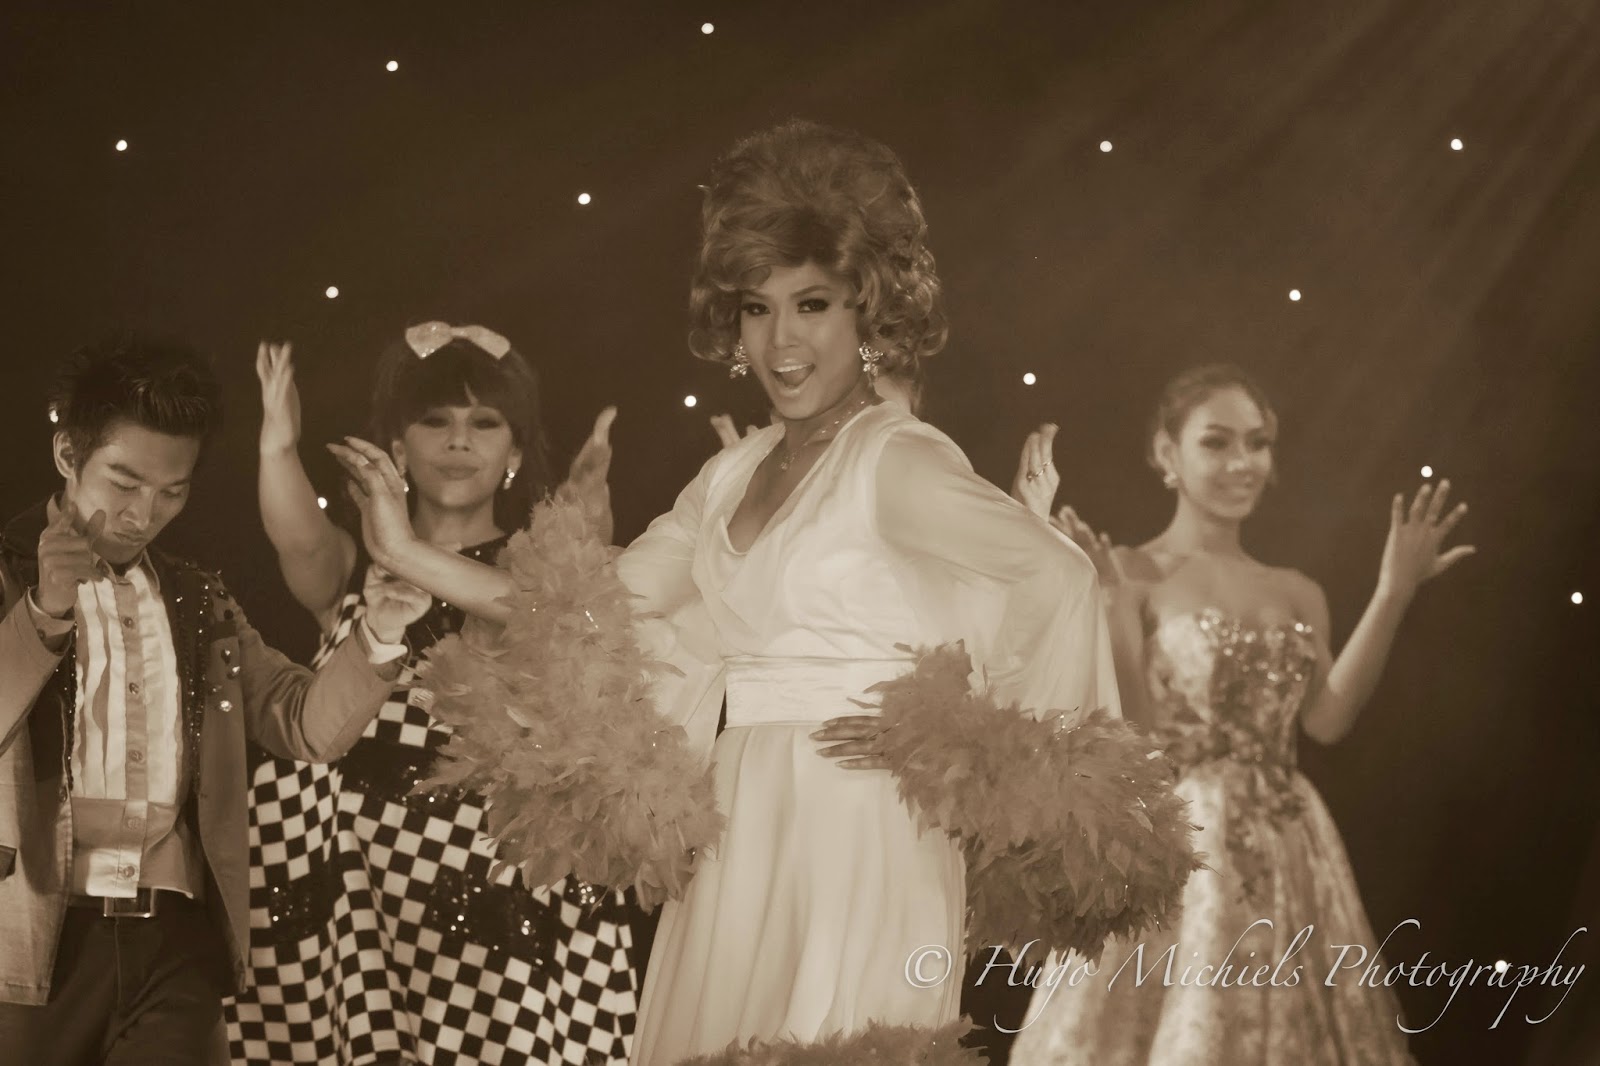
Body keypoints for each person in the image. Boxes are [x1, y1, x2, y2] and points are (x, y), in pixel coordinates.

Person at [327, 119, 1131, 1063]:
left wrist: (956, 738)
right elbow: (588, 607)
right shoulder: (731, 475)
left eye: (812, 304)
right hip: (739, 812)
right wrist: (403, 550)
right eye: (757, 308)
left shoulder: (896, 459)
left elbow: (1057, 574)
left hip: (862, 819)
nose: (781, 340)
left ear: (869, 313)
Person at [1007, 363, 1469, 1064]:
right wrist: (1112, 608)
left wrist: (1393, 591)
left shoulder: (1297, 592)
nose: (1242, 462)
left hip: (1290, 844)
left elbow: (1326, 721)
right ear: (1167, 453)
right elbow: (1138, 745)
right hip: (1181, 848)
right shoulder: (1129, 571)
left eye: (1257, 443)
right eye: (1217, 442)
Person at [224, 328, 636, 1066]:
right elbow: (297, 540)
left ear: (515, 452)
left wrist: (586, 520)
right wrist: (277, 446)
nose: (458, 441)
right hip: (353, 884)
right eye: (435, 420)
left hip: (489, 875)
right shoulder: (355, 565)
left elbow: (572, 621)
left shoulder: (532, 573)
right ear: (397, 446)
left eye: (485, 422)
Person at [0, 334, 408, 1066]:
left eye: (172, 491)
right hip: (27, 943)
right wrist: (44, 612)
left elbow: (303, 724)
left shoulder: (197, 597)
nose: (143, 513)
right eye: (124, 482)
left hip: (172, 945)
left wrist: (378, 630)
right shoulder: (7, 574)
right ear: (67, 453)